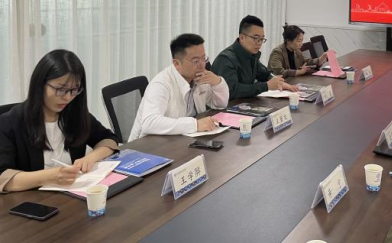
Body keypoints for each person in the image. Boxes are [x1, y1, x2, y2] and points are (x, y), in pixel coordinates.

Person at [0, 50, 119, 192]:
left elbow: (108, 139)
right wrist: (49, 177)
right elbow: (3, 177)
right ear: (40, 84)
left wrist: (92, 157)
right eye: (61, 89)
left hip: (72, 197)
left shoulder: (74, 114)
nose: (67, 98)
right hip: (31, 201)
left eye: (74, 90)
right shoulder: (9, 124)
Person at [129, 34, 228, 141]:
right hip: (147, 146)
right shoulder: (161, 84)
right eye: (196, 61)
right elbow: (149, 123)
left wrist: (217, 82)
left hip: (181, 139)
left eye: (204, 58)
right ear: (176, 63)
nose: (202, 65)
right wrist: (195, 125)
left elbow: (220, 104)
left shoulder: (199, 77)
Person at [211, 15, 298, 100]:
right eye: (256, 38)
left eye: (262, 39)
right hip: (224, 107)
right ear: (242, 37)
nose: (259, 43)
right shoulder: (226, 59)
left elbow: (265, 74)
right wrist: (266, 86)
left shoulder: (251, 55)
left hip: (243, 103)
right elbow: (232, 90)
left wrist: (279, 82)